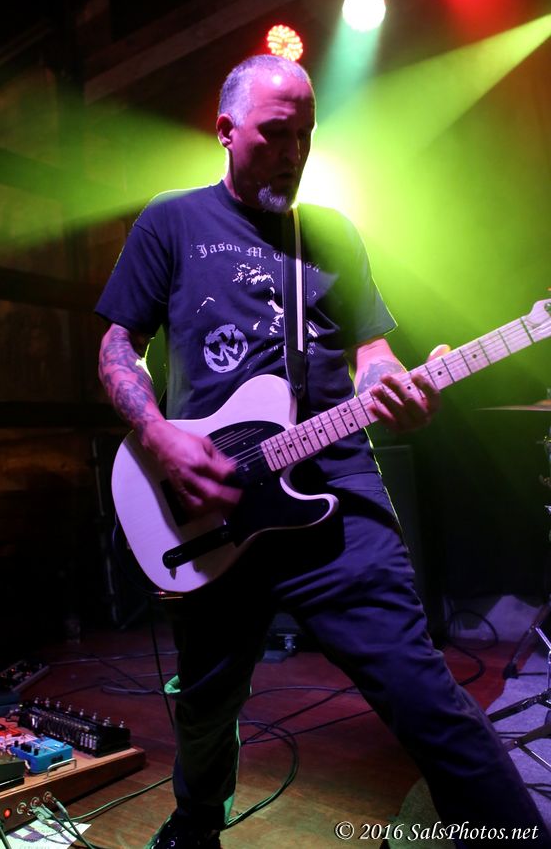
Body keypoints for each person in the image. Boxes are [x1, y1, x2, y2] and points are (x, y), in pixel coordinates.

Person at [96, 55, 550, 849]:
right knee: (205, 704)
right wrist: (160, 437)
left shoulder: (333, 232)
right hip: (210, 499)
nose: (294, 152)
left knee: (424, 694)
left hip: (336, 490)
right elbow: (115, 347)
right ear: (226, 130)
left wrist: (393, 384)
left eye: (306, 135)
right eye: (276, 133)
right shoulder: (171, 221)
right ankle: (195, 824)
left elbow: (372, 352)